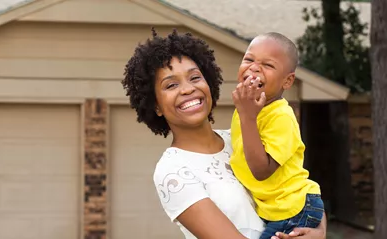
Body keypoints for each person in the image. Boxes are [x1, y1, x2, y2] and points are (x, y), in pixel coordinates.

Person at [121, 28, 326, 239]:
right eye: (171, 85)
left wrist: (318, 232)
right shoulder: (173, 172)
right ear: (156, 106)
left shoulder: (241, 137)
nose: (187, 89)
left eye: (195, 77)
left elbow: (298, 186)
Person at [230, 32, 324, 239]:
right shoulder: (246, 109)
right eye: (249, 59)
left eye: (268, 65)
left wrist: (247, 117)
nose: (254, 67)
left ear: (288, 81)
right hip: (275, 208)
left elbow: (262, 170)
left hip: (295, 207)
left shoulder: (281, 117)